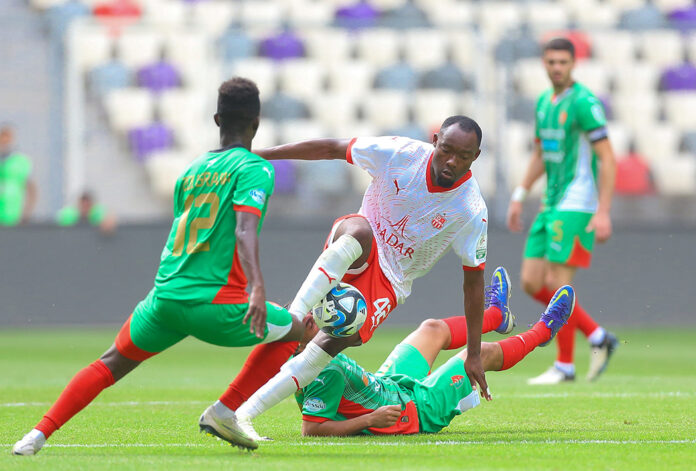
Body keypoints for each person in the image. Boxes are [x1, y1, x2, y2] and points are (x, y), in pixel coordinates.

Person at [12, 77, 309, 456]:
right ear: (257, 122)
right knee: (299, 330)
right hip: (217, 306)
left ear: (217, 120)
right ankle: (224, 410)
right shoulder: (255, 169)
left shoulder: (190, 172)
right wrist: (257, 288)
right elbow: (244, 228)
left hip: (164, 300)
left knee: (108, 364)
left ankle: (35, 436)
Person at [220, 115, 510, 447]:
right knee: (358, 231)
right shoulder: (399, 153)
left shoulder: (471, 210)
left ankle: (243, 415)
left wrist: (473, 352)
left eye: (463, 156)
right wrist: (259, 155)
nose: (451, 161)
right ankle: (296, 315)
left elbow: (473, 282)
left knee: (330, 344)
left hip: (390, 281)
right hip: (360, 245)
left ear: (477, 156)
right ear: (434, 140)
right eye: (446, 150)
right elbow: (331, 148)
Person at [297, 271, 576, 436]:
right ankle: (543, 331)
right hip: (413, 410)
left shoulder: (310, 357)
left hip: (387, 384)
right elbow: (311, 429)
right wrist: (370, 420)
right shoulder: (323, 371)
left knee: (432, 329)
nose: (310, 316)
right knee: (479, 355)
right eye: (307, 321)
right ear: (295, 343)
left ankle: (495, 315)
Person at [506, 38, 619, 385]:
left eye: (563, 62)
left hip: (577, 203)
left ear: (573, 65)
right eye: (551, 61)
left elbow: (608, 158)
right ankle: (596, 335)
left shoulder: (584, 103)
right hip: (550, 202)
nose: (556, 67)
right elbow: (540, 154)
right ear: (543, 63)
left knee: (558, 285)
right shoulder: (543, 102)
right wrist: (519, 194)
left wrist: (603, 211)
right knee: (530, 281)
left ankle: (565, 365)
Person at [0, 124, 37, 225]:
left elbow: (31, 189)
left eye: (7, 138)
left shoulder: (21, 161)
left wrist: (26, 213)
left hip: (13, 214)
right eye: (2, 137)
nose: (4, 141)